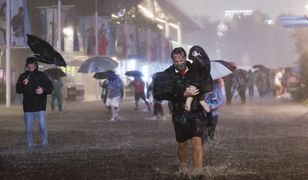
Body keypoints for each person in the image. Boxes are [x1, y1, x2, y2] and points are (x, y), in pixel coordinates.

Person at [157, 47, 210, 172]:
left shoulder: (196, 69)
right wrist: (183, 94)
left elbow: (206, 83)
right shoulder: (168, 74)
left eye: (181, 60)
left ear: (185, 58)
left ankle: (199, 171)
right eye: (176, 61)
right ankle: (184, 168)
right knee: (182, 144)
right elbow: (162, 94)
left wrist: (198, 89)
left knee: (197, 140)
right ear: (172, 60)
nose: (179, 63)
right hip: (179, 113)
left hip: (196, 111)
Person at [16, 57, 53, 147]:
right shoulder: (23, 76)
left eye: (32, 63)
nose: (30, 65)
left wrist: (43, 90)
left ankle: (44, 143)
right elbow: (18, 90)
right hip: (28, 107)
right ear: (27, 65)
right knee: (29, 128)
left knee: (42, 126)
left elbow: (50, 87)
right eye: (29, 64)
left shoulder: (42, 75)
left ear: (36, 65)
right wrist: (22, 84)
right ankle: (30, 144)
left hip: (40, 106)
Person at [185, 45, 213, 124]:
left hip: (200, 85)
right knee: (201, 102)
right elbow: (193, 71)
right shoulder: (197, 62)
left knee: (189, 100)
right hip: (197, 85)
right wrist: (188, 63)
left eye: (195, 53)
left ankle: (185, 119)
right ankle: (210, 120)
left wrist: (197, 57)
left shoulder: (204, 62)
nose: (193, 54)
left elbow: (204, 68)